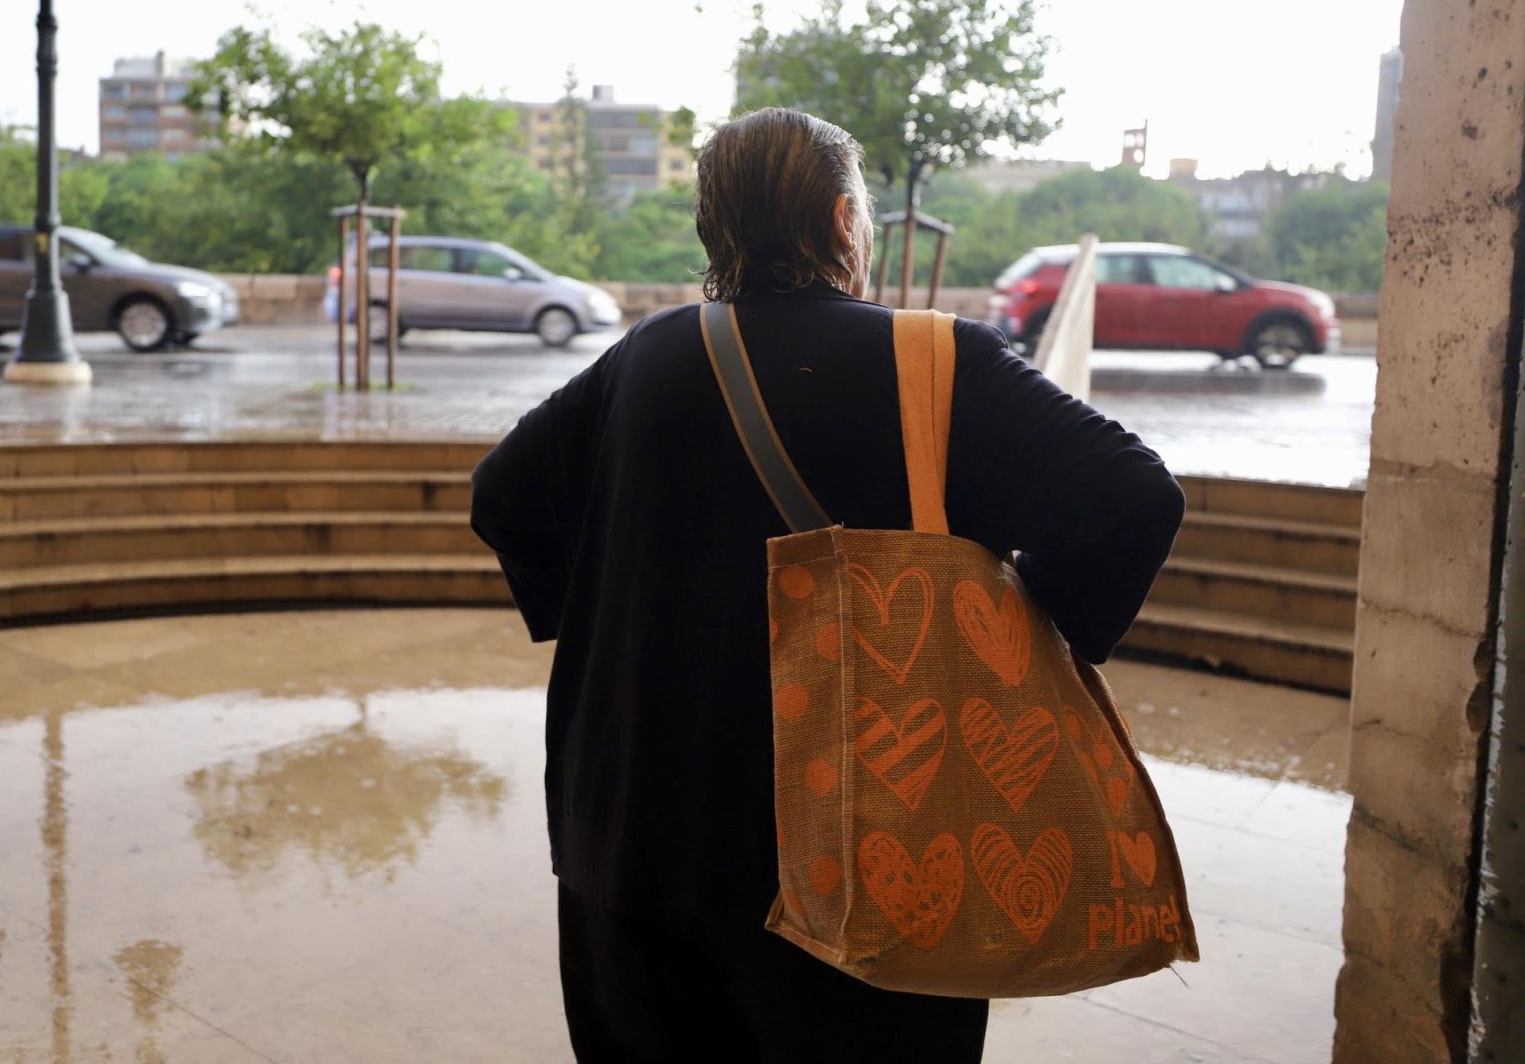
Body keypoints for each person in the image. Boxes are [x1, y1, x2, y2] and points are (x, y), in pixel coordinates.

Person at [470, 107, 1185, 1063]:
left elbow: (502, 493)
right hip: (867, 850)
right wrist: (1035, 618)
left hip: (629, 823)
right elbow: (1132, 497)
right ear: (847, 225)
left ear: (711, 232)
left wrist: (614, 608)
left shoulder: (646, 357)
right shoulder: (931, 361)